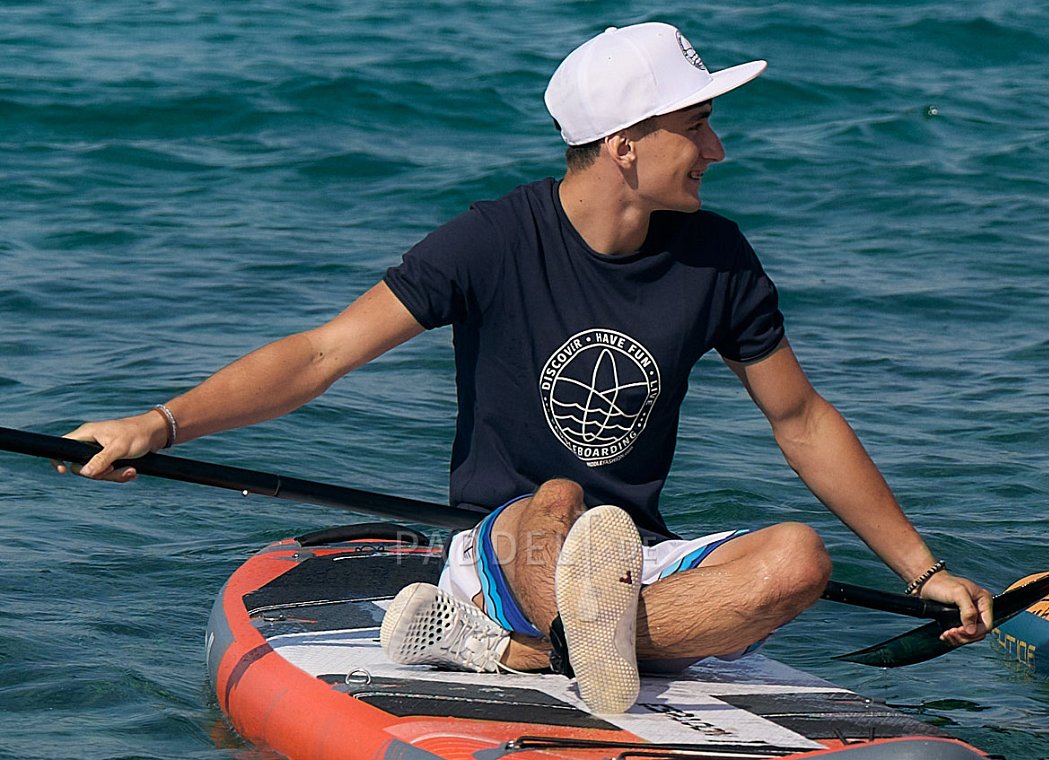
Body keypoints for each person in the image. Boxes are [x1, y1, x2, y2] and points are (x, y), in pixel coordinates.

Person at [57, 22, 993, 715]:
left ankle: (525, 653)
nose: (717, 147)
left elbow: (801, 420)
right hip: (498, 544)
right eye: (697, 125)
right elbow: (320, 354)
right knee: (557, 499)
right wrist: (159, 423)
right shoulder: (492, 240)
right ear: (626, 146)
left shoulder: (719, 257)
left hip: (631, 558)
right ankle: (556, 633)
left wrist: (923, 571)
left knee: (795, 560)